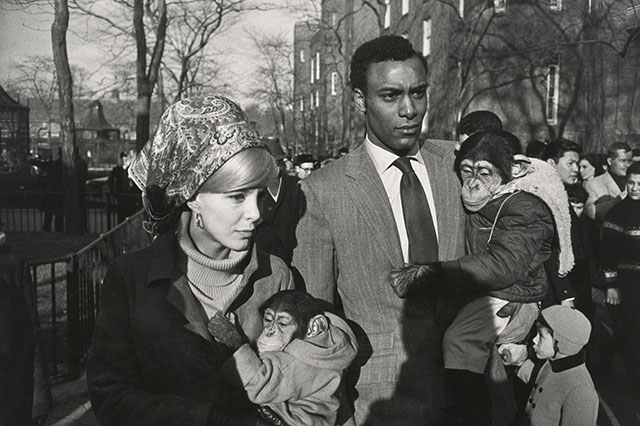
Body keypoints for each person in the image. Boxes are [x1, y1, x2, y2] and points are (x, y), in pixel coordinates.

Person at [86, 96, 294, 426]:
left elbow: (294, 385)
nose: (255, 214)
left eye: (259, 195)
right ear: (194, 197)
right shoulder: (132, 278)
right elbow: (111, 396)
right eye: (238, 196)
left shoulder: (275, 275)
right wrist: (207, 419)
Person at [292, 35, 466, 425]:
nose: (409, 110)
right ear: (359, 100)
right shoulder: (324, 191)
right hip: (381, 403)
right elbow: (316, 322)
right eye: (390, 96)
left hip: (474, 394)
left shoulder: (461, 166)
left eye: (417, 93)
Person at [500, 305, 598, 426]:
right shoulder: (554, 362)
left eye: (541, 336)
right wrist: (518, 361)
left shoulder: (581, 391)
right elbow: (541, 378)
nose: (534, 340)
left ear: (560, 343)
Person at [600, 161, 640, 405]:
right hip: (628, 284)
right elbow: (607, 252)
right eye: (632, 183)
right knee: (631, 334)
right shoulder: (617, 213)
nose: (635, 188)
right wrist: (611, 284)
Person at [254, 139, 302, 266]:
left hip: (296, 259)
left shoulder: (296, 186)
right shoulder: (256, 191)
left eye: (277, 162)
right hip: (267, 263)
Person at [584, 142, 633, 221]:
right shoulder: (593, 184)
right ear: (609, 161)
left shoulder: (635, 182)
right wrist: (615, 202)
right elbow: (588, 212)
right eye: (623, 161)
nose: (627, 165)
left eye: (629, 161)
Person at [107, 152, 139, 223]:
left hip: (129, 196)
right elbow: (110, 181)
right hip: (123, 196)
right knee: (123, 216)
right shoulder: (118, 170)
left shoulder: (131, 169)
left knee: (129, 216)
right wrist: (113, 192)